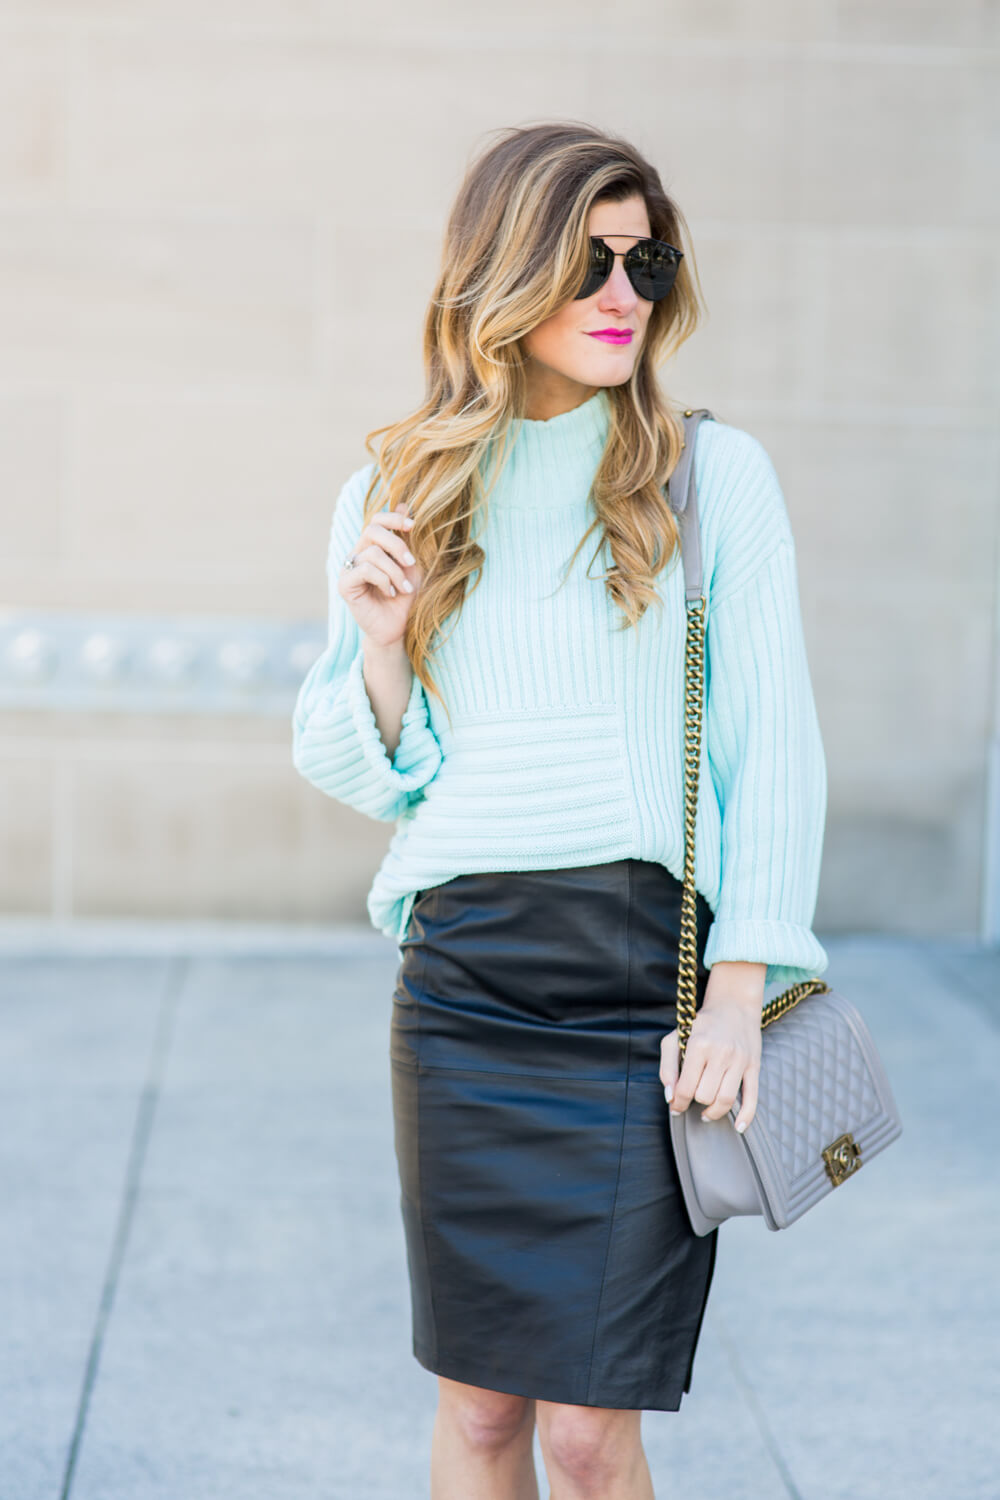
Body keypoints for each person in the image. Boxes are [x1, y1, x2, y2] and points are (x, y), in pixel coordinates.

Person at [292, 121, 828, 1500]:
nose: (621, 293)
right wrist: (384, 645)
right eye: (588, 260)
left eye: (645, 262)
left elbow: (777, 748)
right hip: (465, 986)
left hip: (647, 987)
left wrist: (743, 985)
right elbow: (372, 772)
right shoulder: (399, 487)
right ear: (505, 271)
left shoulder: (713, 479)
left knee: (591, 1429)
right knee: (479, 1413)